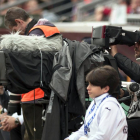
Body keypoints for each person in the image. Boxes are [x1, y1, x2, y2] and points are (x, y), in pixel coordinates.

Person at [4, 6, 62, 140]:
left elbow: (29, 71)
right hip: (41, 94)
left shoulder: (36, 34)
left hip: (37, 96)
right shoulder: (45, 28)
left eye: (14, 30)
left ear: (19, 22)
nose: (17, 35)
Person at [65, 65, 128, 140]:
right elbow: (85, 130)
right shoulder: (96, 101)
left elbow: (103, 137)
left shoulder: (110, 106)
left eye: (93, 85)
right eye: (88, 84)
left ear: (106, 88)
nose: (88, 88)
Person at [110, 44, 140, 140]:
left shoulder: (137, 72)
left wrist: (116, 54)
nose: (135, 47)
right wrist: (124, 93)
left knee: (123, 128)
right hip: (135, 118)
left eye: (139, 44)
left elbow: (138, 73)